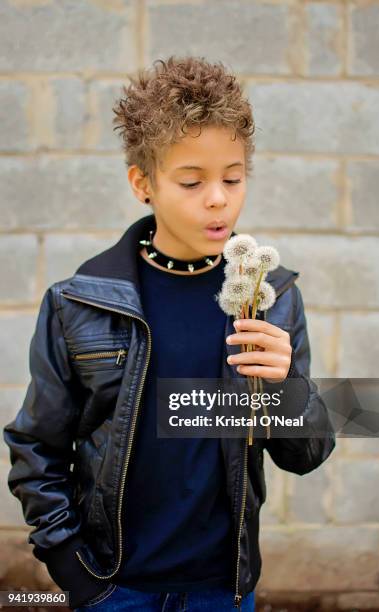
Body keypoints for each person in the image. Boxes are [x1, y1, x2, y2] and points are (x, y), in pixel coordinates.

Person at [3, 56, 335, 611]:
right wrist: (77, 574)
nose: (218, 198)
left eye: (233, 177)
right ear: (143, 184)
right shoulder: (77, 302)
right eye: (191, 181)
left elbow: (307, 454)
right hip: (115, 589)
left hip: (222, 592)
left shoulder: (273, 297)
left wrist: (286, 387)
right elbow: (37, 446)